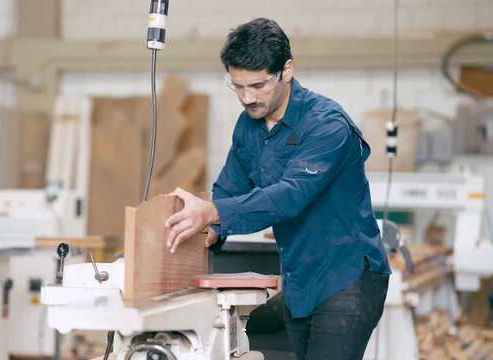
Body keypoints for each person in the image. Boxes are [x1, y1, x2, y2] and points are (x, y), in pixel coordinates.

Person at [163, 18, 391, 360]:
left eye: (257, 85)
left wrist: (213, 211)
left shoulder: (327, 126)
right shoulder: (249, 125)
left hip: (347, 277)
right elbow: (228, 188)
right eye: (237, 86)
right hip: (300, 280)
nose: (246, 97)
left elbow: (290, 195)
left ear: (286, 71)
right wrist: (210, 228)